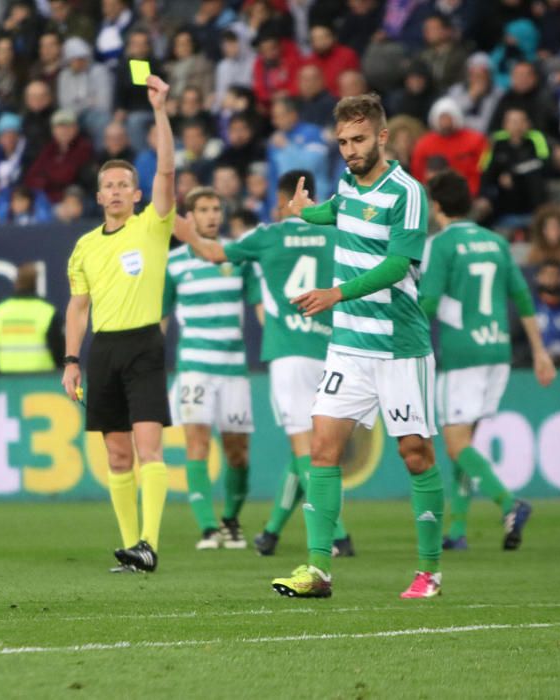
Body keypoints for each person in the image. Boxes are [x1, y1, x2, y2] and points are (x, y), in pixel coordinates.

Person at [270, 94, 445, 600]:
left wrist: (336, 293)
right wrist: (309, 213)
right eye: (343, 141)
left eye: (359, 140)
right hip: (348, 347)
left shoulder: (408, 193)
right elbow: (342, 210)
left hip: (398, 347)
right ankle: (318, 570)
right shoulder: (347, 183)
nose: (349, 149)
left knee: (415, 454)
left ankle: (429, 572)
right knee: (321, 451)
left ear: (383, 137)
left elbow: (397, 265)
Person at [172, 170, 354, 557]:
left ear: (282, 200)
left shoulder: (266, 237)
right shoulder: (337, 236)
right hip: (333, 350)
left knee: (304, 446)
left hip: (288, 352)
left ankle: (335, 534)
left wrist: (171, 219)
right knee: (312, 447)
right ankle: (270, 531)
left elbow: (212, 252)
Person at [61, 74, 175, 574]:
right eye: (107, 185)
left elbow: (169, 173)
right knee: (117, 454)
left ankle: (150, 541)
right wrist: (70, 360)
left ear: (136, 193)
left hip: (144, 344)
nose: (114, 191)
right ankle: (132, 550)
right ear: (99, 194)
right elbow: (78, 308)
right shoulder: (85, 246)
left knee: (149, 448)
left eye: (122, 185)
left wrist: (160, 111)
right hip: (103, 350)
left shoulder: (153, 225)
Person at [420, 170, 556, 552]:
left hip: (463, 354)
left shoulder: (440, 245)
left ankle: (510, 504)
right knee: (467, 443)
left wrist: (398, 320)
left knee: (454, 444)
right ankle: (458, 531)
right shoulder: (496, 242)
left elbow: (428, 304)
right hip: (498, 352)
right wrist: (540, 351)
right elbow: (523, 299)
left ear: (436, 205)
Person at [161, 186, 260, 549]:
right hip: (194, 368)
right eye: (203, 209)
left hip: (233, 368)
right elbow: (162, 319)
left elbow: (261, 308)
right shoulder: (173, 263)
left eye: (216, 209)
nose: (212, 215)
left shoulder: (238, 257)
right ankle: (207, 527)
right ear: (190, 217)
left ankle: (231, 519)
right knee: (197, 445)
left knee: (237, 451)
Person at [0, 263, 65, 372]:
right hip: (42, 379)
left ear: (16, 282)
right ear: (36, 283)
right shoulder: (47, 312)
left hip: (6, 378)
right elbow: (59, 351)